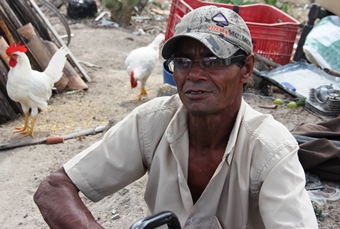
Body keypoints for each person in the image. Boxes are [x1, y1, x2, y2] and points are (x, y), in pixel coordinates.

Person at [34, 5, 318, 229]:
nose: (194, 75)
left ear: (246, 69)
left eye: (213, 61)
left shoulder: (271, 149)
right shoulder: (153, 121)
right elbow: (54, 188)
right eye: (182, 62)